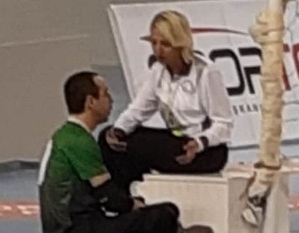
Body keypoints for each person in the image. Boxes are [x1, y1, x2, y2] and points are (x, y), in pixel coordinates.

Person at [37, 71, 213, 233]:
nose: (111, 100)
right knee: (165, 212)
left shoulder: (67, 136)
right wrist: (133, 205)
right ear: (91, 102)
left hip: (69, 228)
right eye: (105, 94)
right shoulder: (78, 141)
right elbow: (107, 195)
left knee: (135, 210)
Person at [100, 10, 234, 191]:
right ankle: (125, 196)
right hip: (177, 140)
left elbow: (224, 124)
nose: (158, 50)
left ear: (179, 44)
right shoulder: (158, 71)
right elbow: (138, 110)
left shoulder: (205, 72)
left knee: (145, 147)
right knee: (109, 138)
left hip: (205, 150)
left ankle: (128, 193)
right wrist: (118, 130)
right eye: (154, 43)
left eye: (165, 44)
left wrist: (200, 142)